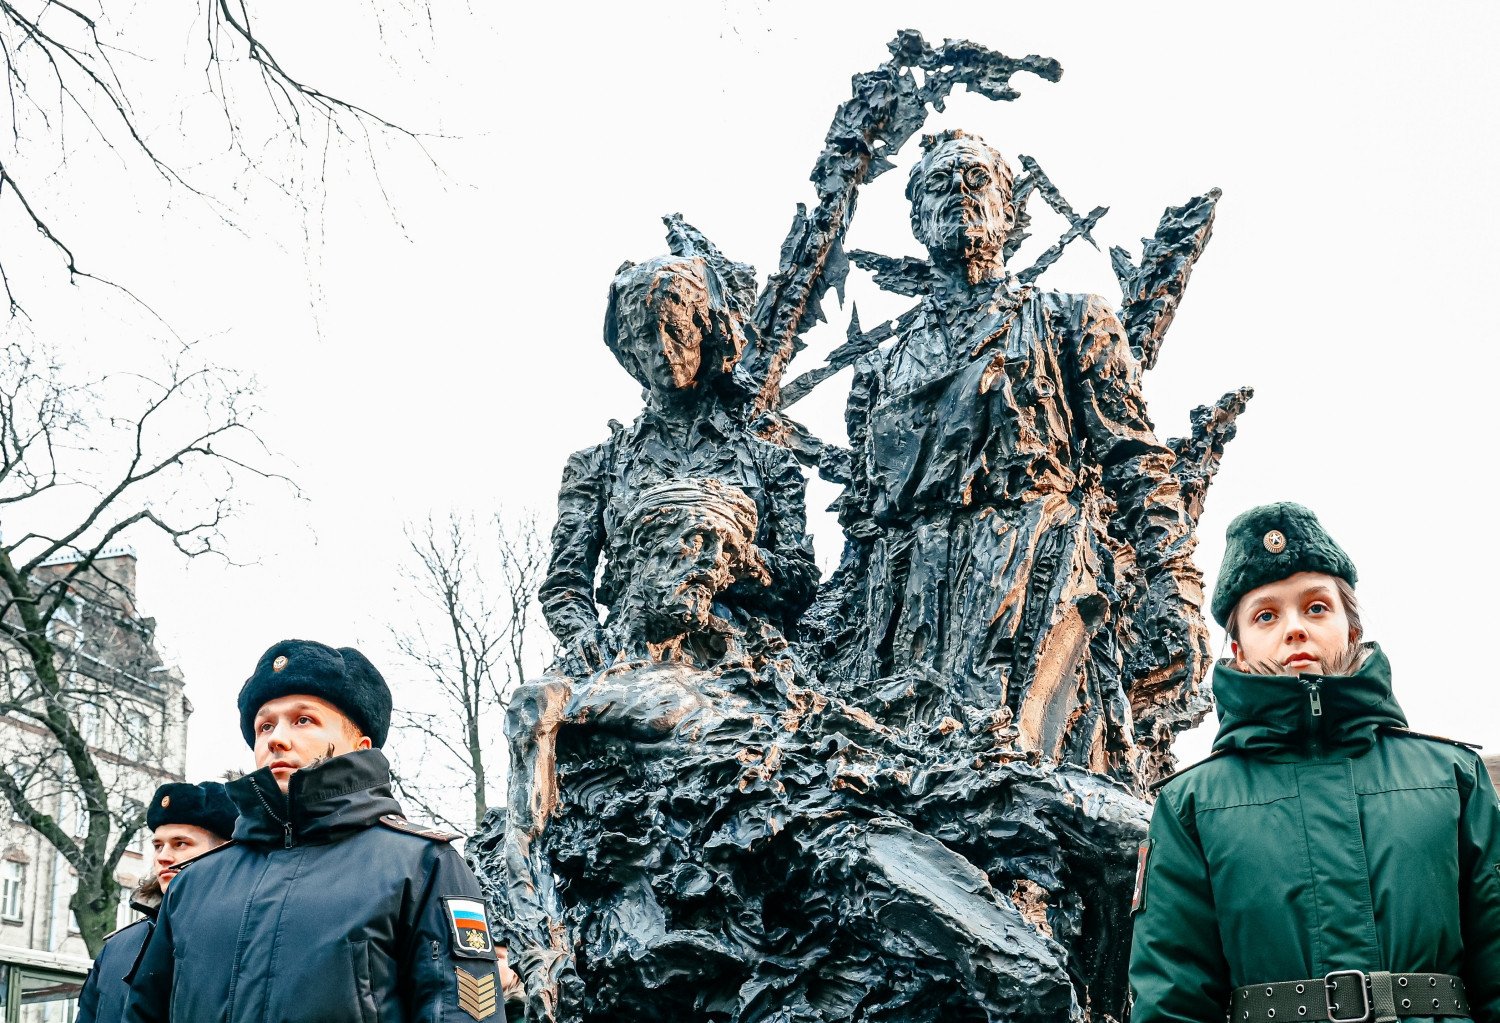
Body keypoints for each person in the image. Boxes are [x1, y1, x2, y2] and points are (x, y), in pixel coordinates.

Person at [834, 128, 1208, 771]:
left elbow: (1137, 462)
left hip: (1033, 566)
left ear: (1011, 212)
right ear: (917, 221)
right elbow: (865, 521)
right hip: (907, 596)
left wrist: (1175, 583)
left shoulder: (1068, 318)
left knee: (1016, 772)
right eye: (937, 186)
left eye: (977, 180)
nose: (958, 193)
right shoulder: (880, 368)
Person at [1129, 502, 1500, 1023]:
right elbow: (1172, 998)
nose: (1295, 628)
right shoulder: (1190, 805)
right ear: (1237, 649)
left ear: (1351, 627)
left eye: (1317, 607)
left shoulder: (1453, 778)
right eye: (1266, 614)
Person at [123, 639, 510, 1023]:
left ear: (358, 745)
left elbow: (462, 1013)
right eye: (265, 726)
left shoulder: (422, 865)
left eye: (303, 720)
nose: (275, 738)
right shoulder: (196, 884)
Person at [539, 255, 819, 676]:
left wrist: (729, 557)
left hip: (749, 664)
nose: (663, 351)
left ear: (705, 332)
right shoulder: (595, 466)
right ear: (628, 348)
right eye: (645, 336)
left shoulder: (768, 461)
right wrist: (584, 639)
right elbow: (564, 587)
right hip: (631, 657)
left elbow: (799, 584)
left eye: (676, 331)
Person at [75, 780, 236, 1023]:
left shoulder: (244, 937)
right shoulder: (118, 947)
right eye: (158, 846)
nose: (163, 857)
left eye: (180, 843)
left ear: (225, 850)